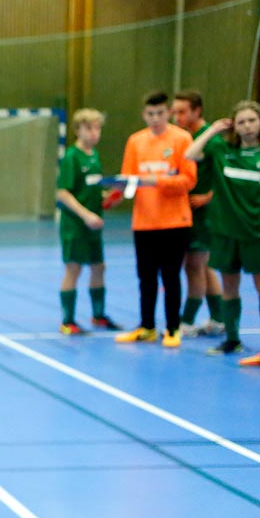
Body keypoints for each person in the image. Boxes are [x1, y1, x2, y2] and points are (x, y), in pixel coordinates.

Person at [114, 91, 196, 347]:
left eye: (160, 113)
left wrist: (156, 181)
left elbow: (188, 180)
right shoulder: (135, 141)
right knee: (146, 277)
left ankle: (173, 328)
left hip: (175, 221)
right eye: (150, 114)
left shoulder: (183, 139)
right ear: (144, 115)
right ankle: (147, 326)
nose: (155, 118)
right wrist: (115, 194)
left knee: (171, 276)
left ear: (168, 113)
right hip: (144, 222)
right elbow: (128, 178)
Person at [184, 101, 260, 361]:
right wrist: (213, 130)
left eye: (252, 120)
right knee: (230, 287)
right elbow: (190, 154)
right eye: (241, 122)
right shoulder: (222, 150)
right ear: (234, 126)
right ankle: (232, 339)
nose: (247, 126)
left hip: (256, 234)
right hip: (227, 233)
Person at [55, 108, 122, 334]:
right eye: (89, 128)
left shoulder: (94, 156)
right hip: (76, 225)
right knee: (74, 268)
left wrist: (108, 199)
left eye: (97, 128)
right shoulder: (72, 157)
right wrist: (85, 215)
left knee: (99, 267)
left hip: (93, 224)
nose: (94, 133)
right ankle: (68, 321)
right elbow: (63, 193)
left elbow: (88, 190)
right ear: (77, 130)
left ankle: (99, 315)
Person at [172, 89, 224, 336]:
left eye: (182, 111)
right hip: (187, 213)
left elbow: (226, 174)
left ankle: (187, 322)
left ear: (197, 111)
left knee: (194, 266)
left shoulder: (211, 140)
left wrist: (209, 196)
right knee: (204, 267)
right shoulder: (186, 137)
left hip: (204, 216)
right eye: (174, 112)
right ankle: (218, 318)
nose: (176, 117)